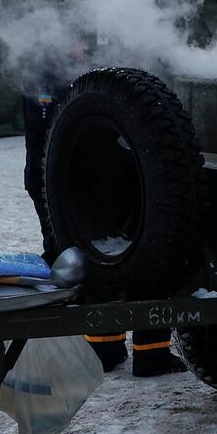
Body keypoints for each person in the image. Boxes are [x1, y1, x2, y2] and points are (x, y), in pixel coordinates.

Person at [22, 58, 186, 378]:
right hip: (67, 186)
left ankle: (119, 349)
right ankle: (116, 349)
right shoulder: (47, 75)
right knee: (115, 263)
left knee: (108, 261)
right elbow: (46, 124)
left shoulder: (90, 76)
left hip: (85, 185)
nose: (80, 48)